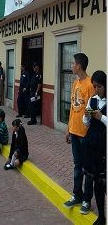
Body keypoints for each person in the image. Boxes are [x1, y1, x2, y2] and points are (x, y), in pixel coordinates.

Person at [64, 53, 95, 214]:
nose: (71, 66)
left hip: (86, 134)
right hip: (74, 131)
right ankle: (77, 195)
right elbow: (72, 107)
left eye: (73, 63)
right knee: (77, 165)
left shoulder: (90, 84)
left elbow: (92, 111)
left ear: (79, 66)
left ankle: (86, 200)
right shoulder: (75, 82)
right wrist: (69, 129)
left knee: (87, 167)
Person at [83, 70, 106, 223]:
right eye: (94, 86)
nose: (96, 89)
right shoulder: (92, 99)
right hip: (92, 145)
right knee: (96, 181)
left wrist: (101, 117)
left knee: (104, 181)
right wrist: (86, 115)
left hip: (104, 145)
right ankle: (101, 216)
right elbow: (86, 123)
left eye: (99, 87)